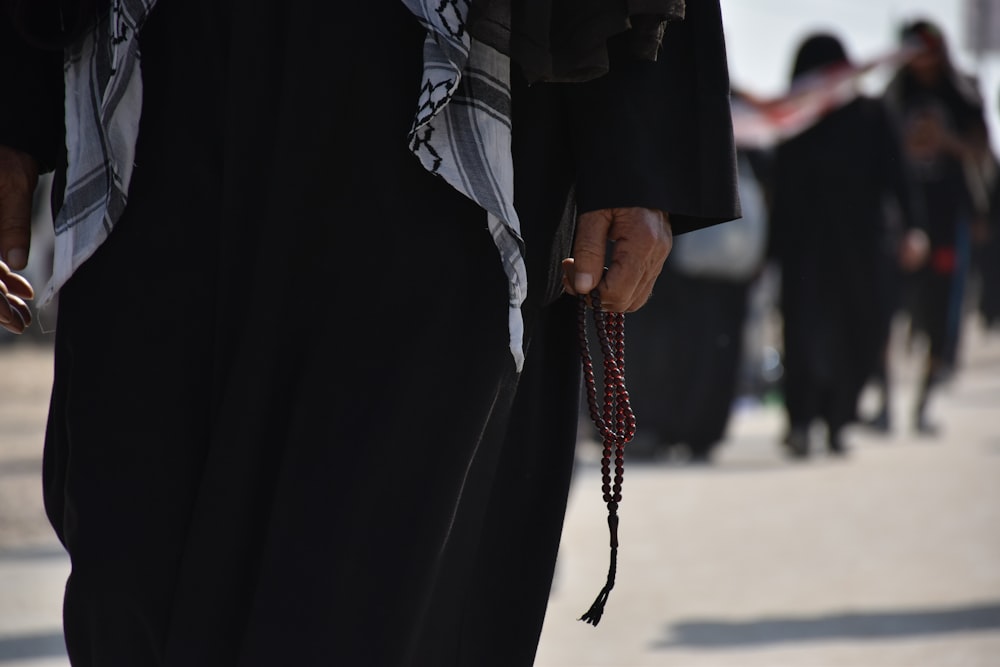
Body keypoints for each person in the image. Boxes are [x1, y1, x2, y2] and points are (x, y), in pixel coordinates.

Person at [0, 1, 738, 665]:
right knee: (132, 568)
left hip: (437, 124)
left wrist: (639, 141)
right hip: (163, 98)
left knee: (366, 583)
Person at [768, 33, 924, 459]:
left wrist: (913, 229)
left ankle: (839, 419)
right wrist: (769, 253)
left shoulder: (873, 114)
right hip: (804, 248)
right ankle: (801, 421)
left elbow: (900, 178)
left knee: (860, 331)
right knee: (801, 334)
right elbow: (778, 191)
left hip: (864, 247)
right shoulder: (792, 120)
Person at [625, 140, 769, 465]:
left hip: (682, 264)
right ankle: (690, 431)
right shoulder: (743, 128)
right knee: (702, 349)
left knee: (676, 349)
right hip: (699, 271)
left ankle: (669, 429)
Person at [883, 19, 994, 434]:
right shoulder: (895, 94)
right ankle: (884, 400)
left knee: (939, 313)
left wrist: (945, 140)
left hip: (948, 217)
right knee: (890, 306)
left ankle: (924, 399)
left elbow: (982, 149)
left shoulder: (961, 92)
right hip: (902, 217)